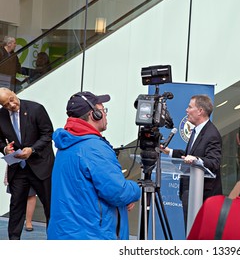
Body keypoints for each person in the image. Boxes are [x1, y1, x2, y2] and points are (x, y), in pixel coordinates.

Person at [47, 91, 141, 240]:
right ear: (94, 114)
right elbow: (118, 193)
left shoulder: (68, 141)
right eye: (103, 110)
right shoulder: (94, 147)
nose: (105, 115)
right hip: (92, 235)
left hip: (66, 233)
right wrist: (136, 190)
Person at [160, 94, 222, 229]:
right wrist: (169, 151)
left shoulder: (212, 134)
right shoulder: (197, 131)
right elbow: (189, 156)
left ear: (200, 111)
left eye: (190, 107)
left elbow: (214, 162)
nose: (186, 110)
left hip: (202, 198)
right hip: (190, 194)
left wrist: (196, 160)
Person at [0, 87, 54, 240]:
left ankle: (54, 240)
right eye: (5, 104)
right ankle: (13, 243)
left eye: (11, 99)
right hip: (18, 168)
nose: (11, 105)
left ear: (13, 93)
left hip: (41, 165)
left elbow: (48, 134)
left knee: (49, 205)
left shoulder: (36, 109)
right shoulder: (1, 116)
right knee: (16, 206)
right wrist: (4, 149)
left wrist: (33, 149)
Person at [3, 166, 37, 232]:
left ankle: (28, 221)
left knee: (31, 194)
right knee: (16, 196)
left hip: (33, 165)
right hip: (16, 164)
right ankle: (15, 225)